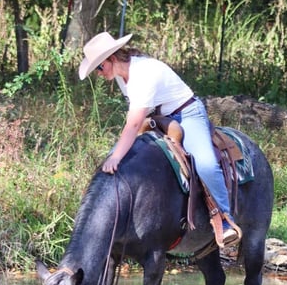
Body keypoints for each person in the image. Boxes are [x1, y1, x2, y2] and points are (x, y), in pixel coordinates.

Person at [78, 31, 240, 247]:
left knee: (206, 164)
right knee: (117, 159)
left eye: (100, 67)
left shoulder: (143, 74)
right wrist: (115, 155)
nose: (98, 72)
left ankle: (224, 218)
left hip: (187, 114)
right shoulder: (121, 76)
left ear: (112, 59)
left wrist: (117, 156)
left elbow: (134, 123)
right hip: (158, 118)